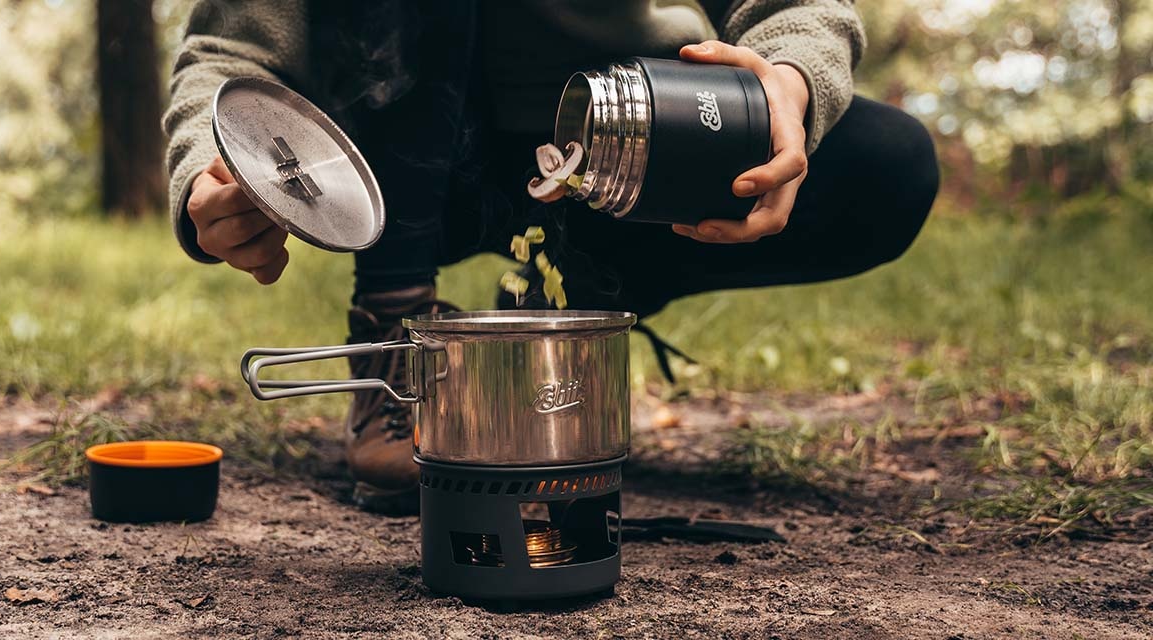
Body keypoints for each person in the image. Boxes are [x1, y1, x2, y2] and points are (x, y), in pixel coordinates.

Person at [164, 1, 939, 514]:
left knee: (889, 164)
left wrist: (790, 88)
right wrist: (210, 169)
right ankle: (396, 326)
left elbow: (800, 8)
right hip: (394, 153)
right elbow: (229, 48)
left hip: (633, 126)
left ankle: (567, 310)